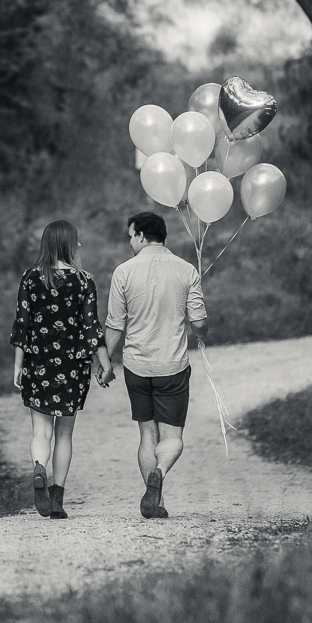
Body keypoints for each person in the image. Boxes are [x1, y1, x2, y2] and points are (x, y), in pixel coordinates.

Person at [102, 211, 208, 519]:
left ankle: (155, 501)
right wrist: (202, 334)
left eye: (130, 236)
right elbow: (199, 321)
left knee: (147, 435)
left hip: (137, 367)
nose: (130, 241)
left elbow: (114, 325)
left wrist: (105, 363)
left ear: (141, 236)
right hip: (172, 366)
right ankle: (160, 472)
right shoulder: (186, 269)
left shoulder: (123, 272)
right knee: (172, 437)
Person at [11, 220, 113, 519]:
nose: (80, 245)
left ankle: (39, 468)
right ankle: (57, 499)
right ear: (69, 244)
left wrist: (18, 365)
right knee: (65, 434)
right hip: (71, 365)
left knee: (41, 430)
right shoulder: (84, 281)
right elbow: (92, 327)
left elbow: (22, 324)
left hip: (38, 361)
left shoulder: (30, 278)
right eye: (77, 241)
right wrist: (105, 364)